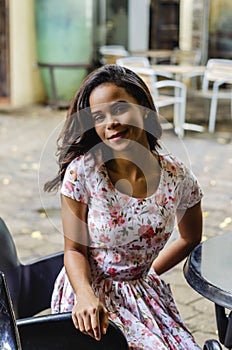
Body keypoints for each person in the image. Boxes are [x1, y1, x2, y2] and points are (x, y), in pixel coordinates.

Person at [44, 64, 203, 349]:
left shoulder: (177, 177)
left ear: (143, 108)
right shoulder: (83, 173)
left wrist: (149, 272)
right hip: (88, 296)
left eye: (119, 109)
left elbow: (190, 237)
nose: (110, 123)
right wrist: (85, 295)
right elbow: (73, 250)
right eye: (98, 117)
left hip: (142, 293)